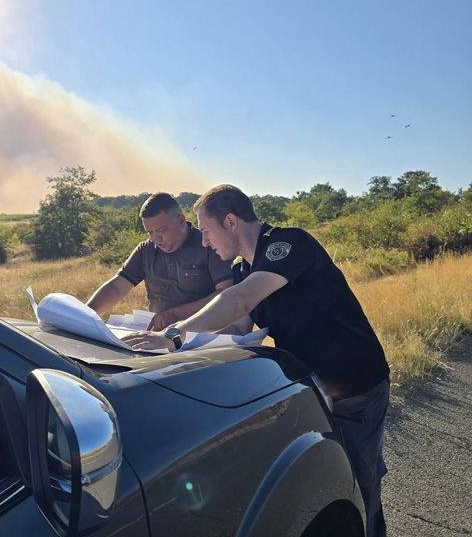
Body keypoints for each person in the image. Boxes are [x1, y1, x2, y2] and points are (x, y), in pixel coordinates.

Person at [122, 184, 390, 537]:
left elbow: (241, 301)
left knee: (360, 482)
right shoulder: (243, 270)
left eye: (205, 231)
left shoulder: (288, 244)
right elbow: (237, 326)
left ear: (230, 221)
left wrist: (174, 336)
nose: (203, 242)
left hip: (356, 387)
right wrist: (169, 361)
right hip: (316, 389)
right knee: (331, 478)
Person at [86, 192, 233, 331]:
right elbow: (117, 287)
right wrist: (84, 315)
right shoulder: (145, 250)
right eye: (150, 232)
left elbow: (226, 293)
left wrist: (176, 314)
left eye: (161, 230)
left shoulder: (209, 244)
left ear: (181, 221)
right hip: (157, 336)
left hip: (203, 333)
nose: (156, 238)